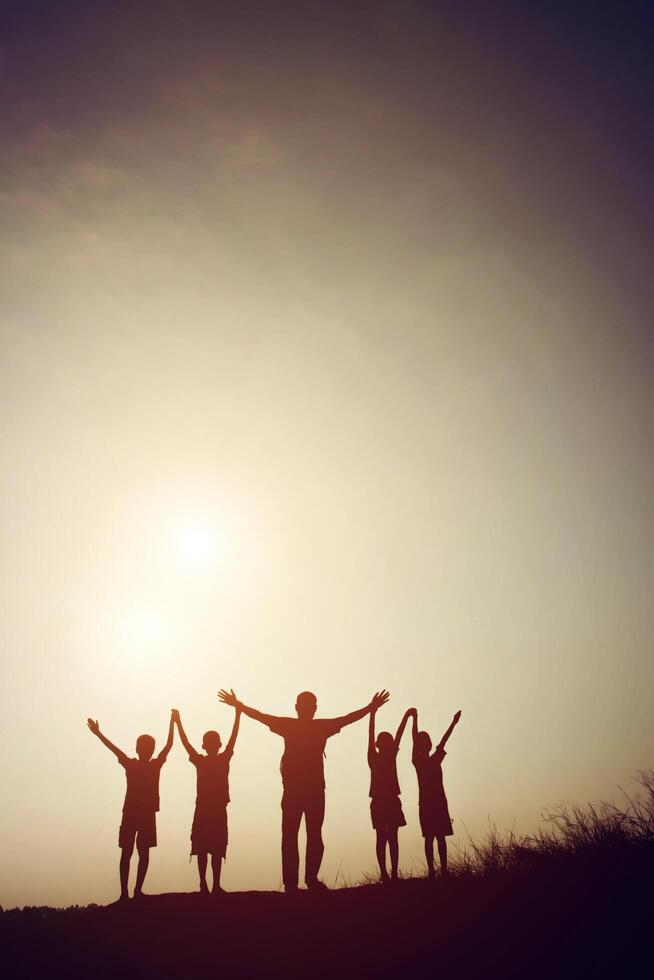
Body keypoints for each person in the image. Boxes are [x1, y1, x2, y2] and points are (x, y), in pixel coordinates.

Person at [218, 687, 390, 892]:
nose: (308, 709)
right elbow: (348, 718)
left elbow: (261, 716)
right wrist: (371, 708)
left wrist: (238, 705)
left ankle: (299, 881)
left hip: (302, 789)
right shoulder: (314, 727)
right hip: (306, 789)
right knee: (307, 835)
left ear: (299, 708)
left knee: (298, 835)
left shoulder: (294, 726)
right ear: (309, 708)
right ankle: (305, 880)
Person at [86, 711, 175, 901]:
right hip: (134, 813)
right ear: (138, 749)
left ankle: (134, 891)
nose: (146, 749)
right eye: (145, 746)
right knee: (130, 852)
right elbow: (167, 746)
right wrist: (99, 734)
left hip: (143, 813)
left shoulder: (149, 765)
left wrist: (173, 722)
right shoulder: (137, 764)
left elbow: (168, 746)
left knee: (139, 853)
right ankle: (127, 892)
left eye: (148, 747)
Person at [173, 704, 241, 895]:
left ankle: (212, 885)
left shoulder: (215, 759)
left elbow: (186, 743)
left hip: (213, 808)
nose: (212, 745)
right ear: (208, 745)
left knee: (214, 847)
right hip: (207, 808)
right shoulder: (209, 759)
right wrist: (238, 713)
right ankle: (207, 884)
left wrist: (238, 713)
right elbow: (186, 743)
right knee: (206, 847)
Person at [410, 708, 462, 878]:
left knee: (436, 838)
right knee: (434, 838)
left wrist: (453, 723)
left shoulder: (425, 761)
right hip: (431, 804)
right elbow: (418, 739)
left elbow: (443, 740)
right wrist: (415, 719)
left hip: (434, 804)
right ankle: (436, 871)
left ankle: (440, 870)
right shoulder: (421, 761)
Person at [368, 703, 412, 882]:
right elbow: (374, 735)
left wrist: (406, 716)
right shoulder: (378, 756)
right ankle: (389, 873)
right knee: (388, 838)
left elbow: (397, 735)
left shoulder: (381, 755)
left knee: (386, 837)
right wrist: (406, 716)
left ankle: (389, 874)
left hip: (385, 800)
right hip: (383, 800)